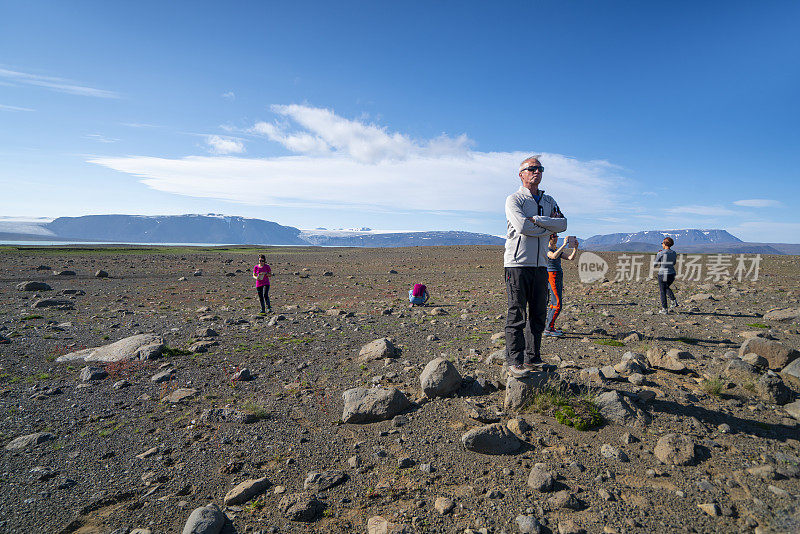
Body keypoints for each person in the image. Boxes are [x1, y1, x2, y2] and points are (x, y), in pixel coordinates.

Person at [504, 156, 567, 377]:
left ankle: (532, 357)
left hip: (541, 265)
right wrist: (547, 226)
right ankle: (514, 360)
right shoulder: (514, 200)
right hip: (518, 263)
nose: (536, 172)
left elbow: (563, 223)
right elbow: (522, 226)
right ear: (521, 174)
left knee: (539, 313)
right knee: (517, 313)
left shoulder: (549, 200)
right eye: (531, 169)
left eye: (540, 168)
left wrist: (537, 221)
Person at [544, 233, 578, 337]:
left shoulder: (556, 249)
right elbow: (553, 256)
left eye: (556, 236)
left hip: (558, 275)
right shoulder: (545, 248)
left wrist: (575, 249)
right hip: (552, 275)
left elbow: (570, 258)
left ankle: (550, 327)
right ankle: (549, 328)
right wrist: (564, 245)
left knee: (554, 302)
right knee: (557, 303)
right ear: (550, 238)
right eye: (554, 236)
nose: (556, 238)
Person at [653, 237, 678, 314]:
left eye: (662, 243)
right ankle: (673, 301)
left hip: (663, 274)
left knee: (662, 291)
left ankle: (664, 309)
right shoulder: (674, 253)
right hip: (672, 274)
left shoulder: (661, 253)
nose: (662, 244)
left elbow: (655, 264)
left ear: (665, 243)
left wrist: (659, 256)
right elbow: (673, 263)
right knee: (666, 287)